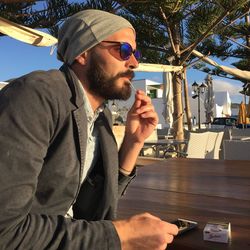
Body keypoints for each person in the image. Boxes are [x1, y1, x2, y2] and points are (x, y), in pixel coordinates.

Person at [0, 9, 178, 250]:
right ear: (83, 52)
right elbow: (5, 232)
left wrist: (133, 143)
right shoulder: (36, 95)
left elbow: (96, 207)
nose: (135, 62)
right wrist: (122, 235)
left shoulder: (99, 116)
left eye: (135, 53)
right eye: (124, 50)